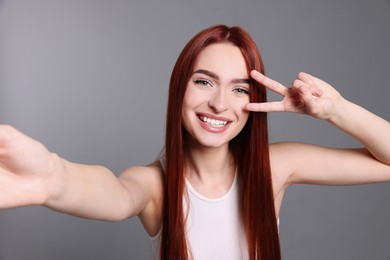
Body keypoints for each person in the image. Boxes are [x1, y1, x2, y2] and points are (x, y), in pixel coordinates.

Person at [0, 24, 389, 260]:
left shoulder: (275, 167)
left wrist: (335, 110)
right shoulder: (154, 185)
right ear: (179, 88)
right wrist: (52, 177)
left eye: (239, 89)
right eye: (204, 81)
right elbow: (111, 192)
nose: (220, 104)